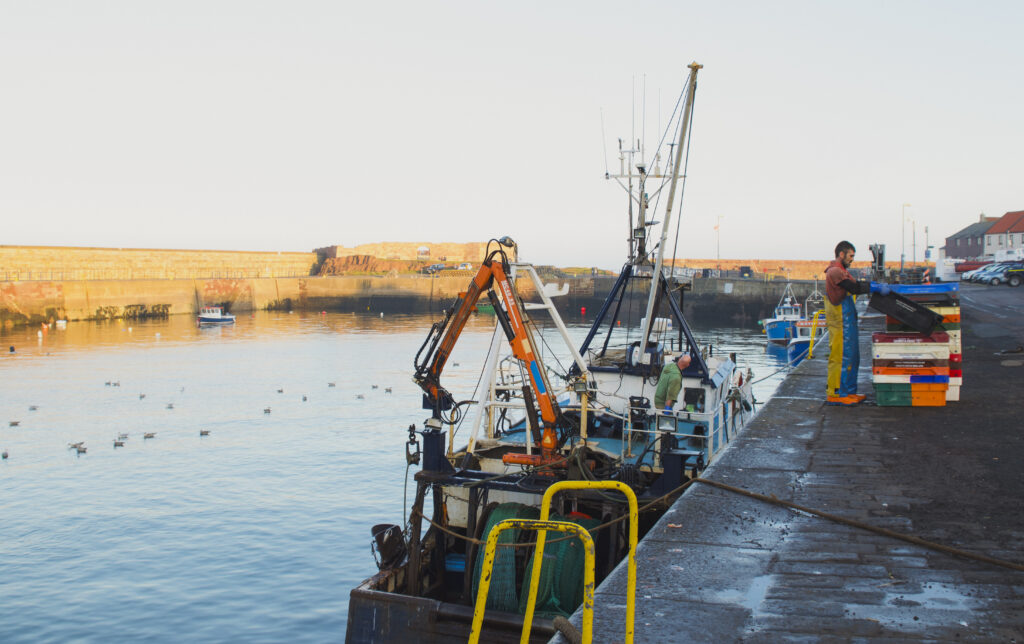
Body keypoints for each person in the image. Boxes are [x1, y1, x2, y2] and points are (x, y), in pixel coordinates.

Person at [824, 241, 888, 405]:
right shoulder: (835, 271)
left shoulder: (842, 271)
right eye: (851, 255)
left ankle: (849, 391)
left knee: (852, 356)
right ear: (841, 254)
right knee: (842, 355)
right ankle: (837, 393)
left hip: (847, 320)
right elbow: (854, 288)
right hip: (840, 321)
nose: (852, 259)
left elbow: (856, 286)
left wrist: (873, 286)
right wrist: (874, 287)